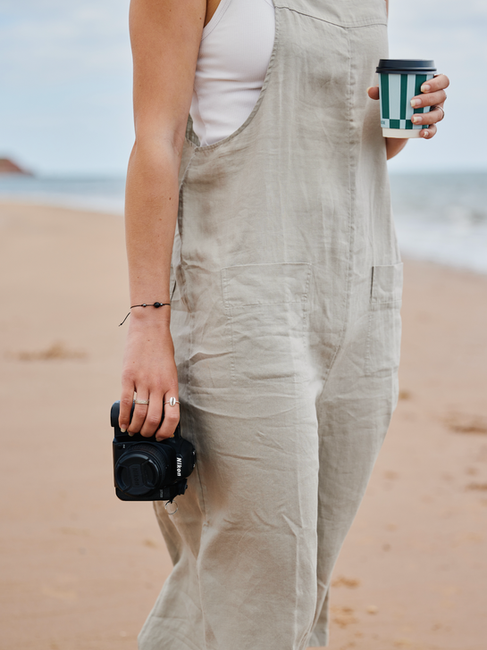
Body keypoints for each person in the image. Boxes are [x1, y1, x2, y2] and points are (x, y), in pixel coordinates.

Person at [118, 1, 449, 648]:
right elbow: (157, 139)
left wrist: (404, 123)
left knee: (303, 580)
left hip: (362, 305)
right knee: (254, 580)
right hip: (239, 305)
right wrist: (147, 321)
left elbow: (356, 144)